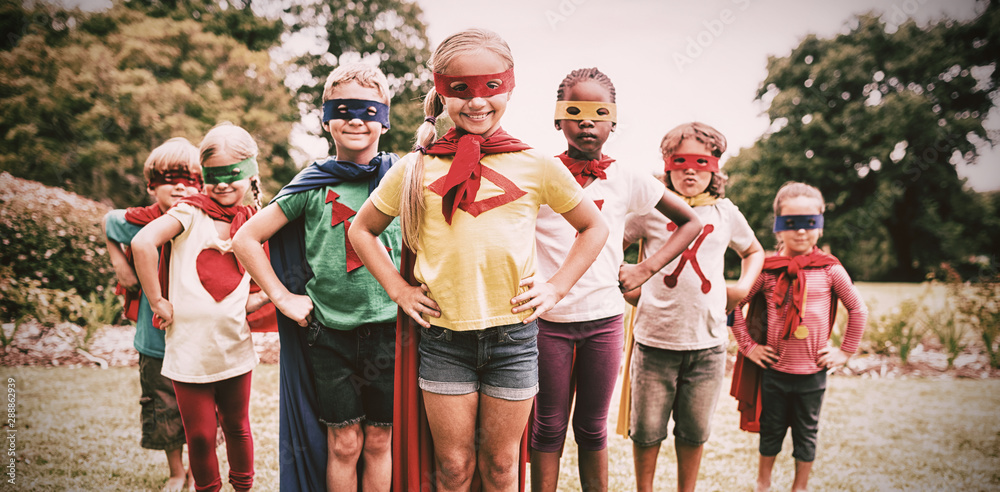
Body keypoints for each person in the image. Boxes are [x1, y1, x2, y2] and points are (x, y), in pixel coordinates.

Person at [349, 28, 609, 492]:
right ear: (440, 91)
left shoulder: (535, 164)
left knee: (503, 466)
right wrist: (398, 288)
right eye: (460, 90)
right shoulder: (416, 166)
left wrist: (556, 287)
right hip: (444, 338)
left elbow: (595, 227)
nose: (476, 103)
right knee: (452, 468)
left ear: (508, 87)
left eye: (490, 87)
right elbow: (361, 229)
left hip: (513, 338)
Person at [529, 68, 701, 492]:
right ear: (557, 120)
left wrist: (645, 269)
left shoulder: (628, 176)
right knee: (547, 427)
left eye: (599, 112)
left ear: (613, 122)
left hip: (604, 322)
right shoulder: (538, 172)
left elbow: (689, 221)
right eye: (576, 110)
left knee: (592, 428)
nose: (587, 122)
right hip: (547, 322)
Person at [232, 62, 400, 492]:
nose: (355, 120)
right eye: (343, 109)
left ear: (384, 117)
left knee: (380, 440)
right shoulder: (310, 184)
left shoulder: (403, 179)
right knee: (344, 443)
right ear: (326, 119)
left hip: (389, 331)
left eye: (367, 110)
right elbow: (247, 239)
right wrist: (282, 297)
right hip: (330, 335)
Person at [620, 122, 765, 492]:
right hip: (655, 343)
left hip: (708, 344)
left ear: (715, 167)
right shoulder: (652, 211)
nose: (690, 170)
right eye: (680, 161)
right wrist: (625, 285)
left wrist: (743, 288)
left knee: (694, 431)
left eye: (701, 162)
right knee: (647, 431)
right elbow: (608, 244)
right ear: (667, 165)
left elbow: (753, 250)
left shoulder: (726, 214)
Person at [132, 123, 269, 492]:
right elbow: (143, 243)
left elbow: (260, 285)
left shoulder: (256, 222)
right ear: (202, 177)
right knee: (202, 435)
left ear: (252, 174)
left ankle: (243, 488)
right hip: (189, 353)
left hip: (234, 348)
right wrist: (158, 299)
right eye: (213, 176)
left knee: (238, 427)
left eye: (232, 175)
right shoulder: (189, 214)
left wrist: (263, 298)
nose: (222, 185)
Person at [730, 181, 867, 492]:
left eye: (810, 223)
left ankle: (799, 487)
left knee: (807, 432)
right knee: (771, 430)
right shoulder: (767, 269)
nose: (801, 232)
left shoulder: (831, 270)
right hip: (775, 371)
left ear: (820, 226)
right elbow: (735, 304)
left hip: (812, 374)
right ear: (778, 227)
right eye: (791, 223)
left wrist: (845, 352)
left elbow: (858, 309)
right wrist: (748, 346)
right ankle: (763, 484)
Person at [103, 137, 202, 492]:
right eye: (170, 177)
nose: (180, 184)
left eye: (191, 178)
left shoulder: (207, 219)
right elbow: (108, 222)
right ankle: (176, 472)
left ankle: (198, 469)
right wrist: (119, 263)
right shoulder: (138, 221)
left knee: (202, 409)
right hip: (154, 336)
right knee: (162, 406)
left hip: (199, 337)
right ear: (151, 184)